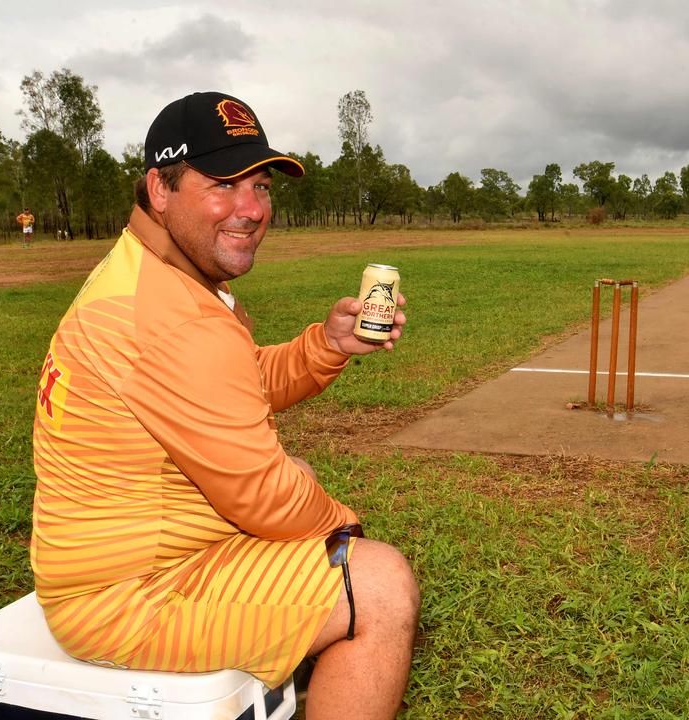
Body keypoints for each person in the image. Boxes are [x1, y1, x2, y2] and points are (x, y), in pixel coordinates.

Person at [29, 91, 419, 720]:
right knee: (379, 587)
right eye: (223, 185)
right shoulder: (171, 316)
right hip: (126, 596)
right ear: (160, 188)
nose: (251, 209)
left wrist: (326, 345)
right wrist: (347, 530)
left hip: (150, 554)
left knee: (309, 495)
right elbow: (263, 497)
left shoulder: (160, 274)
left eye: (260, 186)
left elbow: (230, 382)